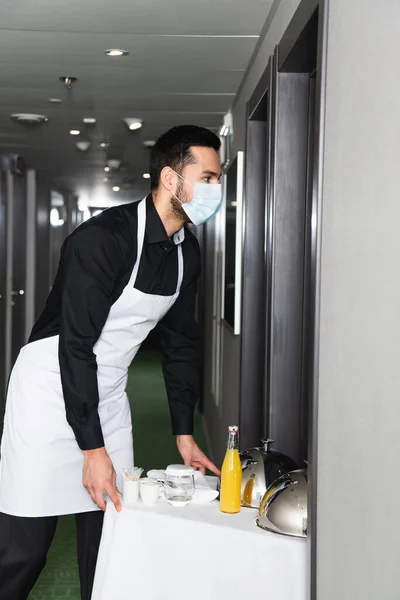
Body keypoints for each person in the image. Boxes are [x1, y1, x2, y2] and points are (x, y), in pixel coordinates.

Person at [0, 125, 223, 600]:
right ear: (170, 178)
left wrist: (184, 433)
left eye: (217, 179)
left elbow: (182, 344)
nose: (215, 190)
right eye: (207, 178)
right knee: (26, 549)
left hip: (109, 388)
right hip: (48, 389)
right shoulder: (101, 239)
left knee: (110, 539)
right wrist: (92, 451)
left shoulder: (188, 254)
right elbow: (75, 346)